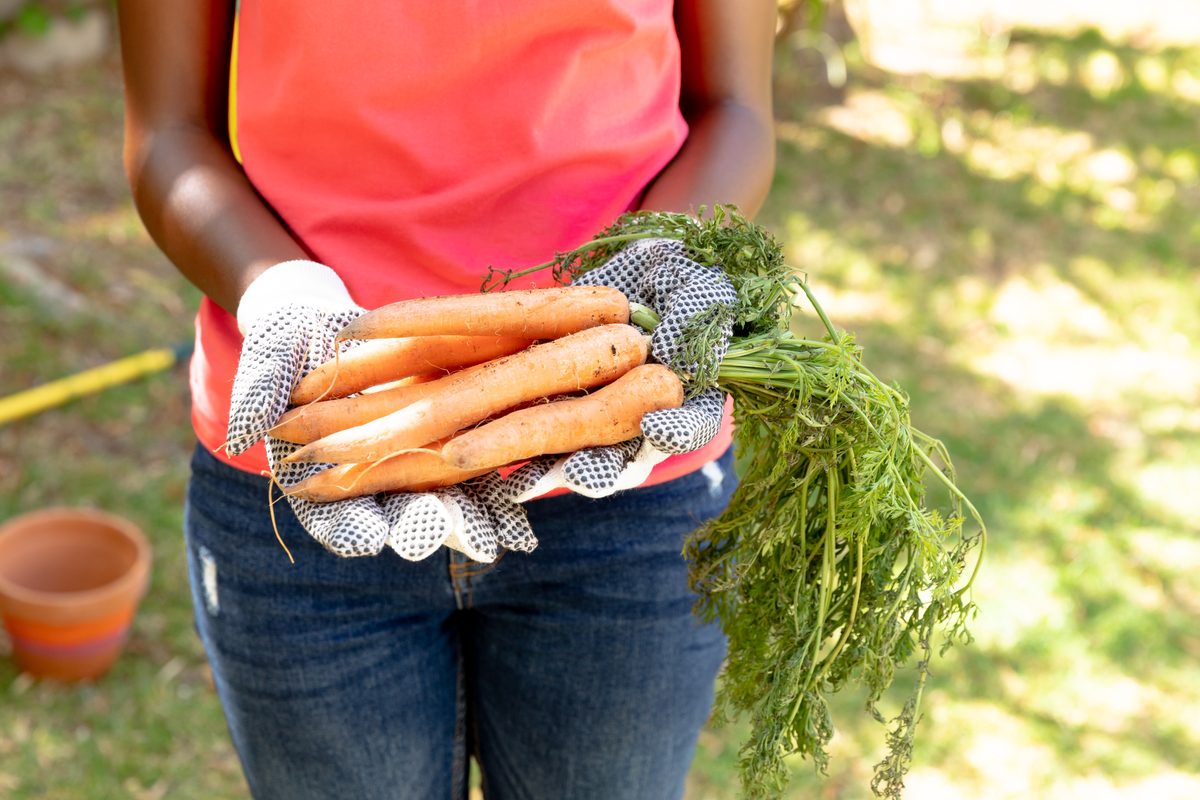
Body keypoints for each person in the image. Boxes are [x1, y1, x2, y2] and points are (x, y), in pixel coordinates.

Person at [115, 2, 775, 798]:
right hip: (313, 448)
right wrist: (282, 297)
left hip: (631, 473)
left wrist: (671, 251)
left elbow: (736, 106)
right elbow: (167, 134)